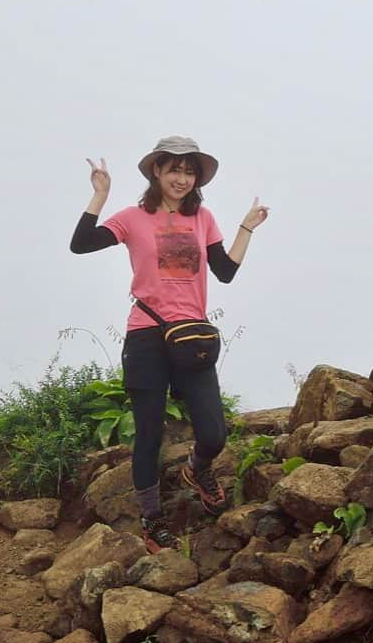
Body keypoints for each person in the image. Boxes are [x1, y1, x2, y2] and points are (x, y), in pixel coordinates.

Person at [70, 135, 269, 553]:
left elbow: (225, 272)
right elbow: (81, 244)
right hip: (146, 334)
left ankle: (199, 470)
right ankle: (151, 518)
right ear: (156, 171)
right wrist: (100, 196)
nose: (181, 178)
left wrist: (246, 228)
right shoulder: (132, 217)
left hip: (191, 335)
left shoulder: (203, 218)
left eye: (189, 170)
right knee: (148, 434)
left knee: (213, 433)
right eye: (173, 169)